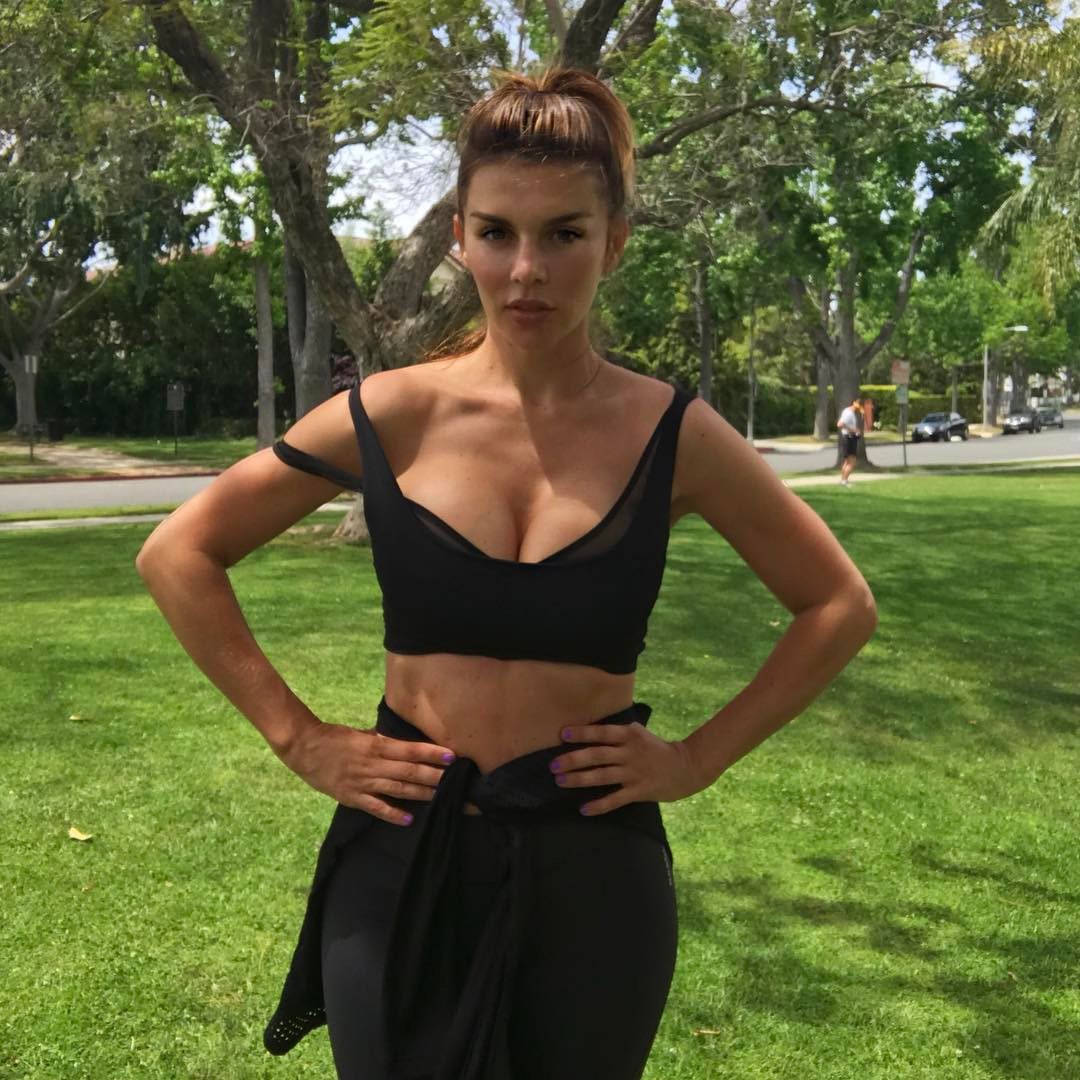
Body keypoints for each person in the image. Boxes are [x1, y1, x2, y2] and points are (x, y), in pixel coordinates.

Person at [135, 66, 877, 1080]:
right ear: (461, 238)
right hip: (400, 856)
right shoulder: (393, 413)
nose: (527, 269)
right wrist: (300, 738)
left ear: (614, 243)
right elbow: (179, 552)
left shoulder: (675, 434)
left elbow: (837, 603)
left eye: (564, 233)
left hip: (593, 873)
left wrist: (696, 759)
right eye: (497, 232)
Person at [836, 395, 864, 486]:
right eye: (858, 403)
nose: (859, 405)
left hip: (848, 437)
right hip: (849, 438)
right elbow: (840, 424)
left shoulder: (848, 411)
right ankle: (845, 481)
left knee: (847, 461)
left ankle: (843, 480)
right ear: (853, 402)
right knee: (852, 461)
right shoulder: (849, 413)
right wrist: (854, 430)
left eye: (860, 403)